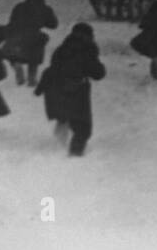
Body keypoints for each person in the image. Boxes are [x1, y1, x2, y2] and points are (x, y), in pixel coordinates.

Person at [35, 23, 106, 156]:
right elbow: (98, 73)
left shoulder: (62, 48)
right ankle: (74, 158)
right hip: (76, 90)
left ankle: (56, 149)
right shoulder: (88, 49)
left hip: (55, 89)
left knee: (64, 117)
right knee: (83, 127)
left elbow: (54, 67)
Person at [1, 0, 59, 86]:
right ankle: (32, 77)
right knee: (34, 56)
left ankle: (16, 65)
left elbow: (12, 21)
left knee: (10, 54)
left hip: (16, 35)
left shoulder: (19, 6)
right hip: (34, 35)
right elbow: (53, 25)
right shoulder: (45, 9)